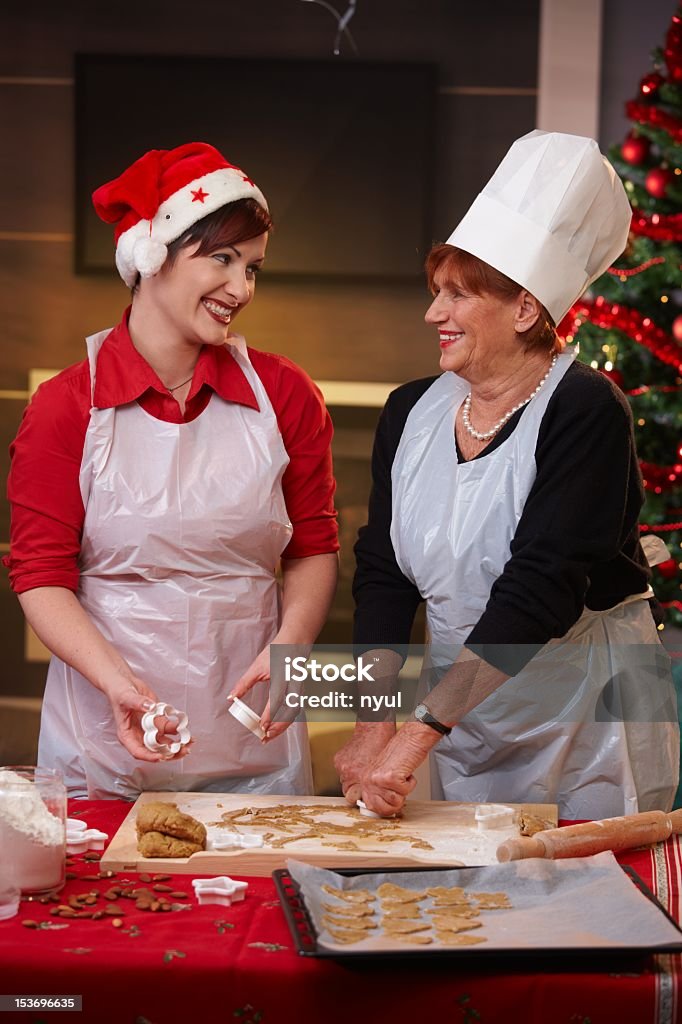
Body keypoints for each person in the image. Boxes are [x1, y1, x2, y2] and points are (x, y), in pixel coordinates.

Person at [336, 130, 679, 820]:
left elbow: (541, 586)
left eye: (458, 296)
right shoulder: (410, 412)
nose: (434, 313)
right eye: (436, 293)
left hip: (586, 711)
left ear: (525, 309)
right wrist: (372, 720)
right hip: (464, 707)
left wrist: (414, 736)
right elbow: (383, 572)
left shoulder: (586, 409)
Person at [6, 142, 339, 799]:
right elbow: (40, 573)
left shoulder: (286, 394)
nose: (241, 289)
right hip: (106, 745)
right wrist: (120, 687)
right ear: (151, 254)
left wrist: (291, 646)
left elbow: (314, 548)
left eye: (252, 268)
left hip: (255, 747)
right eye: (221, 258)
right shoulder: (66, 405)